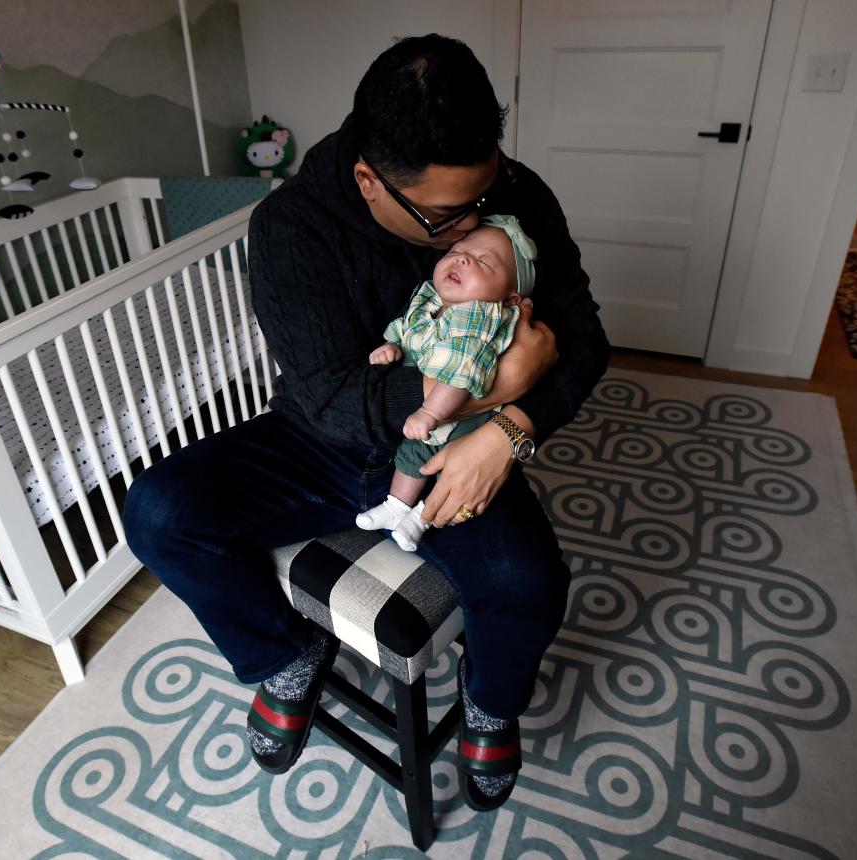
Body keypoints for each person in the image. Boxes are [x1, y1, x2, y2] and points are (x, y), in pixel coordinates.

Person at [123, 34, 610, 812]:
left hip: (453, 450)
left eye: (486, 199)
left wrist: (508, 429)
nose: (476, 225)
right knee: (157, 513)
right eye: (451, 217)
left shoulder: (514, 193)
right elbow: (327, 397)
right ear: (369, 181)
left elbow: (583, 339)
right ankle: (283, 655)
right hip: (316, 440)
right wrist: (497, 385)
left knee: (528, 583)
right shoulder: (289, 226)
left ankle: (490, 705)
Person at [356, 214, 539, 552]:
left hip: (466, 416)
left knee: (451, 469)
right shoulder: (431, 298)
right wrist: (391, 347)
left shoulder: (479, 315)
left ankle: (422, 519)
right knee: (413, 454)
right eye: (458, 250)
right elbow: (407, 328)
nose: (464, 259)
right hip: (438, 408)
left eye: (484, 262)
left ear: (511, 298)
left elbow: (462, 371)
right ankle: (396, 507)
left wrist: (428, 411)